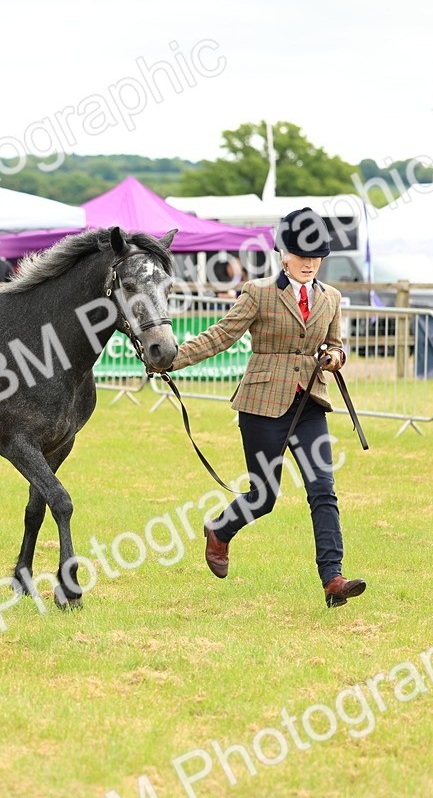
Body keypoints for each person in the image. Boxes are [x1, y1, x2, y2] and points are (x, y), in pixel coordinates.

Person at [164, 207, 366, 609]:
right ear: (282, 254)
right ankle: (221, 529)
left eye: (316, 256)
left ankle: (333, 578)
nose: (309, 263)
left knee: (323, 490)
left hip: (308, 403)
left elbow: (336, 345)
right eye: (301, 255)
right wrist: (171, 359)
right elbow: (222, 335)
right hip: (261, 404)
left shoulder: (332, 298)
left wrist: (334, 359)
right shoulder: (258, 293)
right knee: (265, 496)